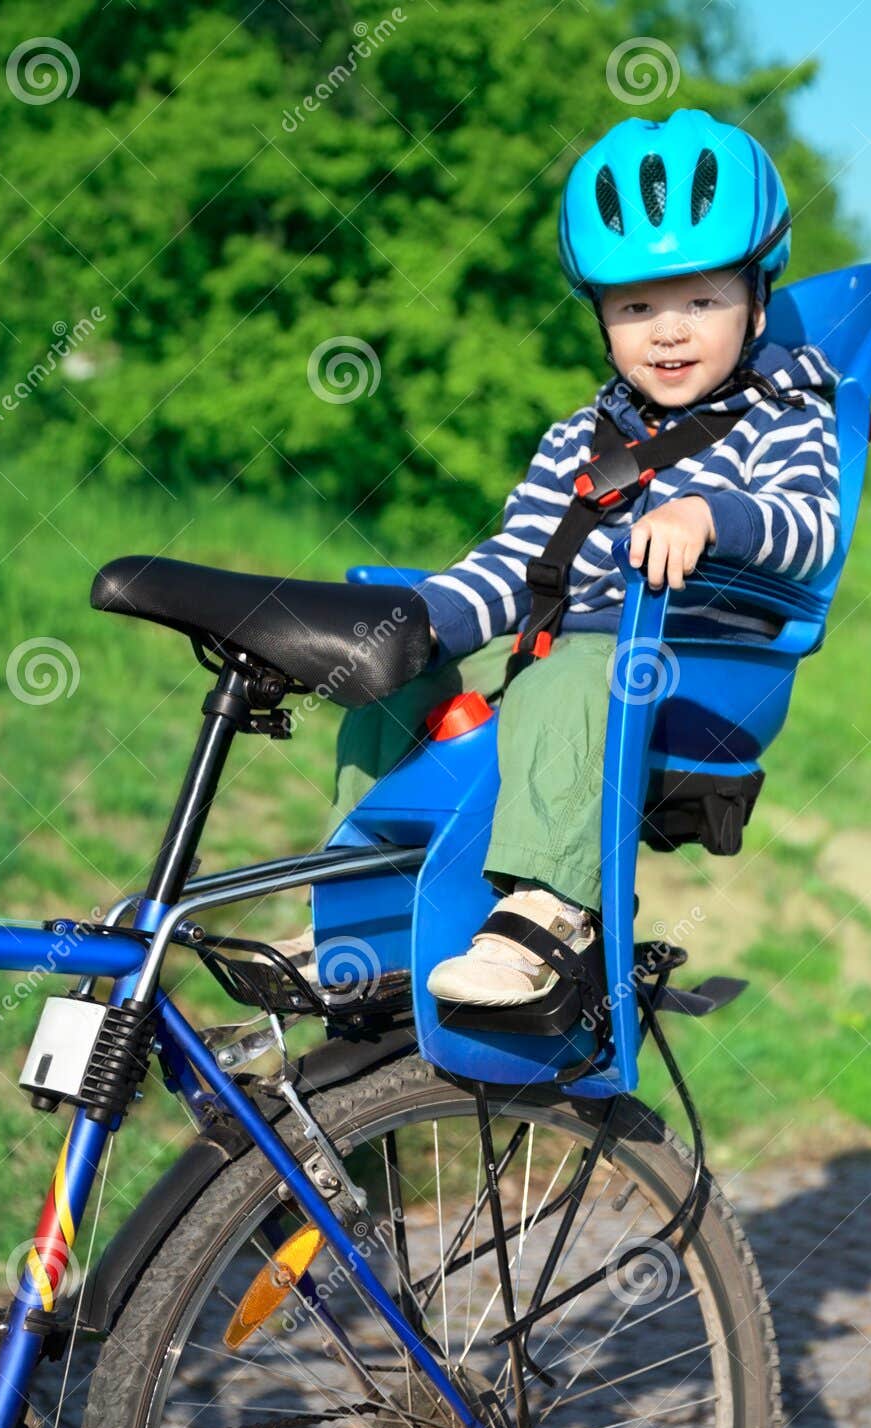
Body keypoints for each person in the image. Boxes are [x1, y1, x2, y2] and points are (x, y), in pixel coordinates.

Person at [333, 109, 840, 1009]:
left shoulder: (786, 415)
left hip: (699, 662)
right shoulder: (579, 435)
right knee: (397, 677)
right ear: (602, 319)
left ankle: (546, 916)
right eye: (636, 307)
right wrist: (421, 625)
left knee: (570, 676)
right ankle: (363, 926)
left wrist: (711, 515)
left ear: (757, 299)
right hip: (567, 642)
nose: (669, 331)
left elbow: (809, 528)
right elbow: (519, 558)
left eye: (701, 300)